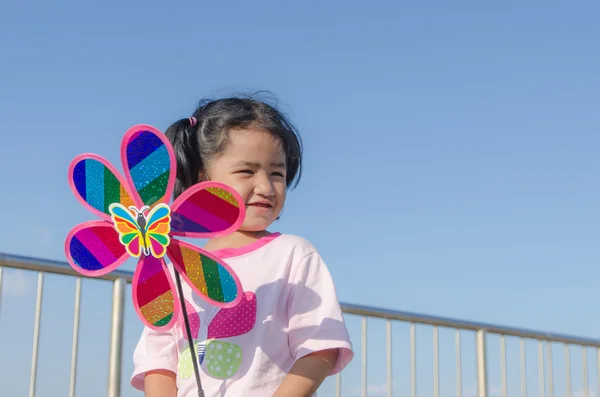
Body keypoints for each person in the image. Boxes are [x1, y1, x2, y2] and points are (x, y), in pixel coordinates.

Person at [130, 94, 353, 396]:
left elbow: (319, 348)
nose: (265, 186)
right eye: (246, 171)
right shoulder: (170, 266)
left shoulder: (293, 255)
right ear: (201, 178)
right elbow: (158, 359)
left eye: (277, 173)